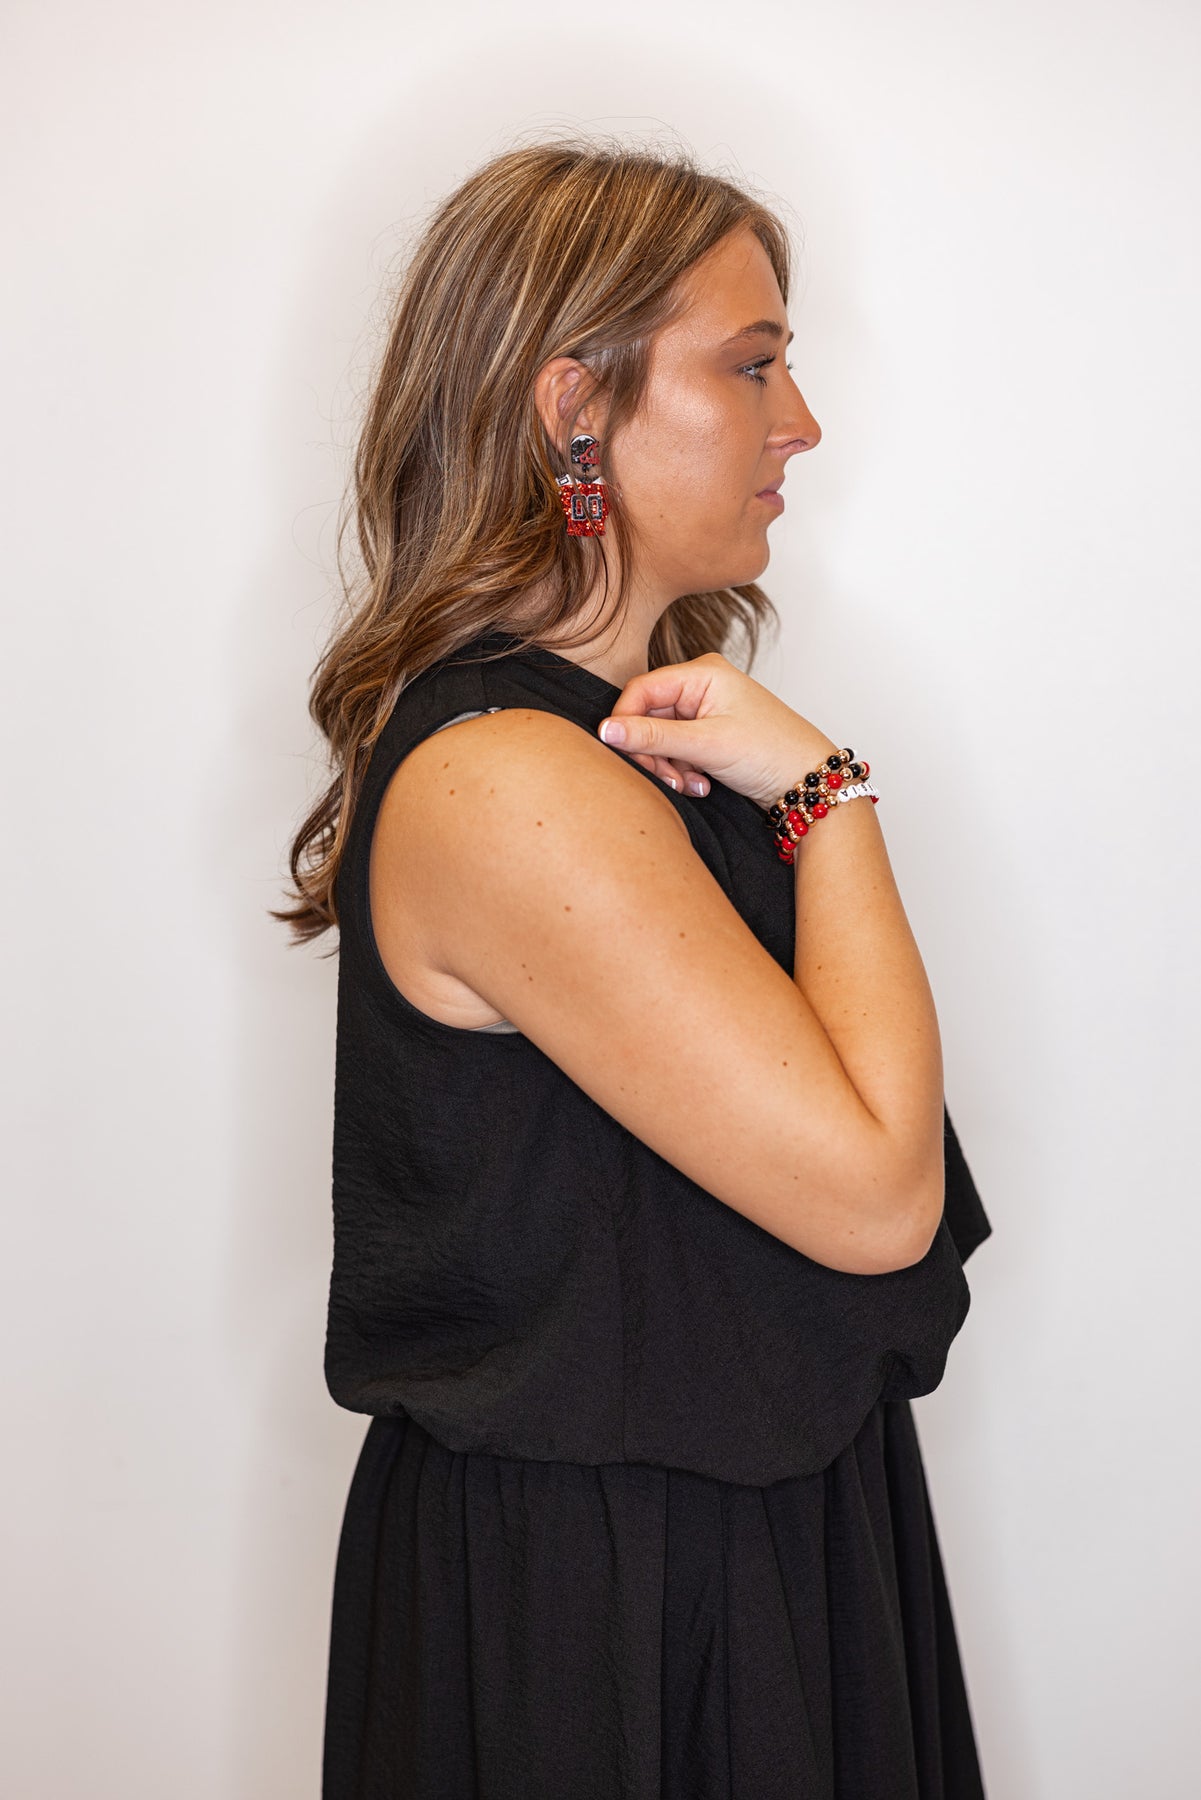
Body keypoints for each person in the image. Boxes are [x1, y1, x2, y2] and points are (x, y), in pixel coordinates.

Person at [275, 136, 993, 1800]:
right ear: (573, 410)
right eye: (749, 365)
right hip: (607, 1598)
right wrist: (828, 798)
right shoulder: (507, 782)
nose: (798, 422)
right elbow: (874, 1196)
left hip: (730, 1526)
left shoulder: (628, 748)